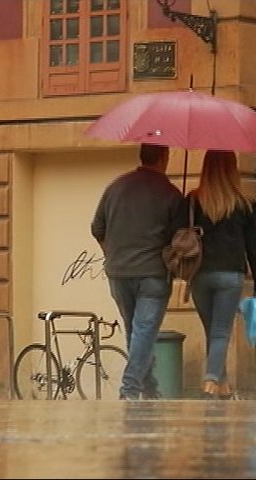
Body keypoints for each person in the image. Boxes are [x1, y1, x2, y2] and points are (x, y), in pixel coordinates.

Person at [91, 143, 184, 400]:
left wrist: (111, 253)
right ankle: (130, 390)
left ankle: (150, 390)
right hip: (153, 273)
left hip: (118, 273)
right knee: (143, 331)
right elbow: (177, 240)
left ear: (141, 156)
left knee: (135, 333)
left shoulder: (116, 187)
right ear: (165, 157)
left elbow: (97, 228)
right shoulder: (171, 194)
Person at [187, 150, 256, 400]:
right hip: (230, 275)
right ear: (233, 169)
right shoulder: (244, 204)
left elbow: (178, 232)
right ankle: (210, 382)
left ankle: (223, 386)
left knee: (212, 331)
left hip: (199, 273)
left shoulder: (193, 200)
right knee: (221, 332)